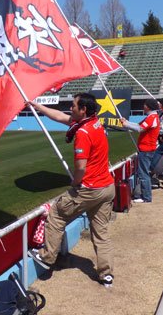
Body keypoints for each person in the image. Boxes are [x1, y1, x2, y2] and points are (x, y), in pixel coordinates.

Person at [26, 93, 115, 286]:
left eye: (73, 105)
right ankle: (106, 274)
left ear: (83, 109)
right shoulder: (94, 122)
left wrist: (75, 182)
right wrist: (37, 106)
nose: (70, 108)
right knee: (101, 234)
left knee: (57, 214)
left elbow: (81, 167)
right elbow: (60, 116)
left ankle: (47, 257)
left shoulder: (82, 133)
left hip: (89, 188)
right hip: (107, 187)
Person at [121, 98, 160, 203]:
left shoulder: (152, 118)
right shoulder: (152, 117)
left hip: (146, 149)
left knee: (143, 174)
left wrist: (126, 125)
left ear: (149, 107)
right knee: (143, 172)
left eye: (145, 105)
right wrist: (127, 122)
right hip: (147, 148)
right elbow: (138, 125)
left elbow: (140, 129)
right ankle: (145, 195)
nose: (143, 106)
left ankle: (146, 197)